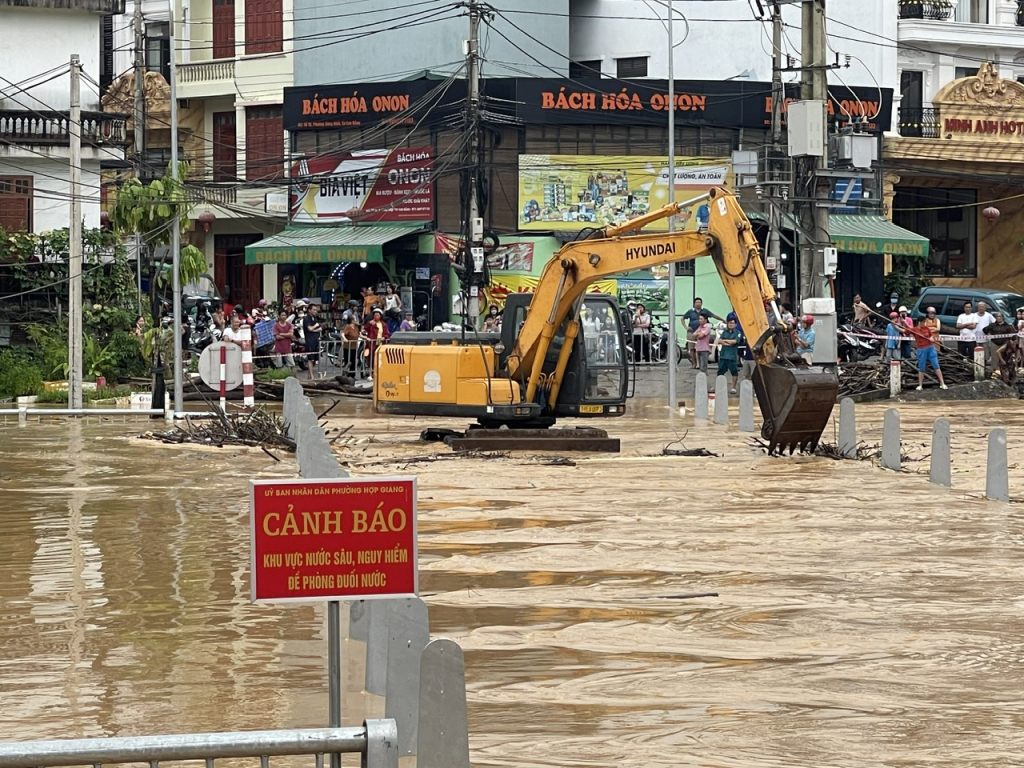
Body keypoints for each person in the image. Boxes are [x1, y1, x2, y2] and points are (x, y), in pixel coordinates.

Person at [909, 315, 947, 391]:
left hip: (930, 348)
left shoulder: (926, 328)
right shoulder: (914, 329)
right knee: (921, 367)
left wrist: (932, 339)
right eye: (923, 322)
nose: (924, 324)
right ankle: (920, 385)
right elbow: (904, 330)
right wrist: (895, 325)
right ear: (919, 322)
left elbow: (931, 336)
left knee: (936, 365)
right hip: (921, 349)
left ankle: (942, 383)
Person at [363, 307, 390, 379]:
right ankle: (371, 374)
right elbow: (364, 330)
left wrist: (384, 338)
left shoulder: (383, 324)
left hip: (380, 342)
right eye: (375, 315)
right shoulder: (370, 323)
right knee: (371, 358)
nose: (376, 316)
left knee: (380, 358)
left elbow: (387, 333)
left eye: (378, 315)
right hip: (372, 343)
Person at [716, 317, 741, 394]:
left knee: (734, 372)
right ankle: (719, 386)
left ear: (735, 324)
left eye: (732, 323)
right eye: (729, 323)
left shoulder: (738, 333)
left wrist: (725, 341)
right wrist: (728, 343)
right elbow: (719, 341)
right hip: (723, 355)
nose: (731, 324)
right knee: (720, 372)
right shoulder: (724, 332)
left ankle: (733, 387)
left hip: (732, 356)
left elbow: (735, 341)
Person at [302, 304, 323, 380]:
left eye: (316, 310)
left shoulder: (315, 318)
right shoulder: (307, 318)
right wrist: (315, 327)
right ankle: (312, 376)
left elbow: (320, 329)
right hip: (309, 340)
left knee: (314, 359)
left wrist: (314, 329)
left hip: (315, 340)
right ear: (309, 310)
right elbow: (309, 328)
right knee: (310, 359)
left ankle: (309, 375)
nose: (315, 311)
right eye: (314, 310)